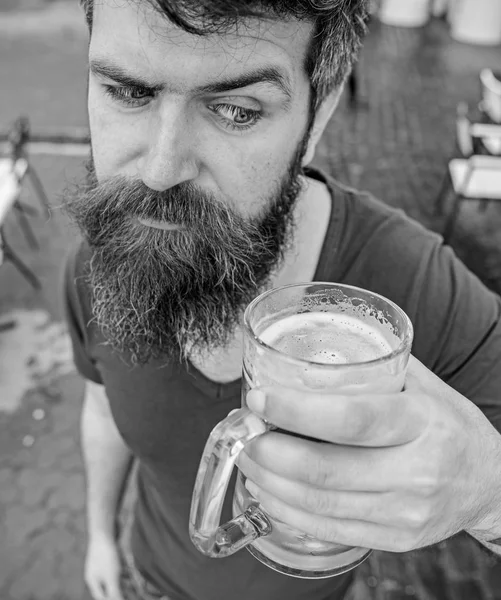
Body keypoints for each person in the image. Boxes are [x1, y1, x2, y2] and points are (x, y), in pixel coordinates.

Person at [63, 1, 501, 599]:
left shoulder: (413, 280)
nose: (161, 169)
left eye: (236, 110)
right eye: (127, 92)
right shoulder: (100, 258)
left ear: (318, 115)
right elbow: (100, 407)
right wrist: (99, 537)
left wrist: (486, 490)